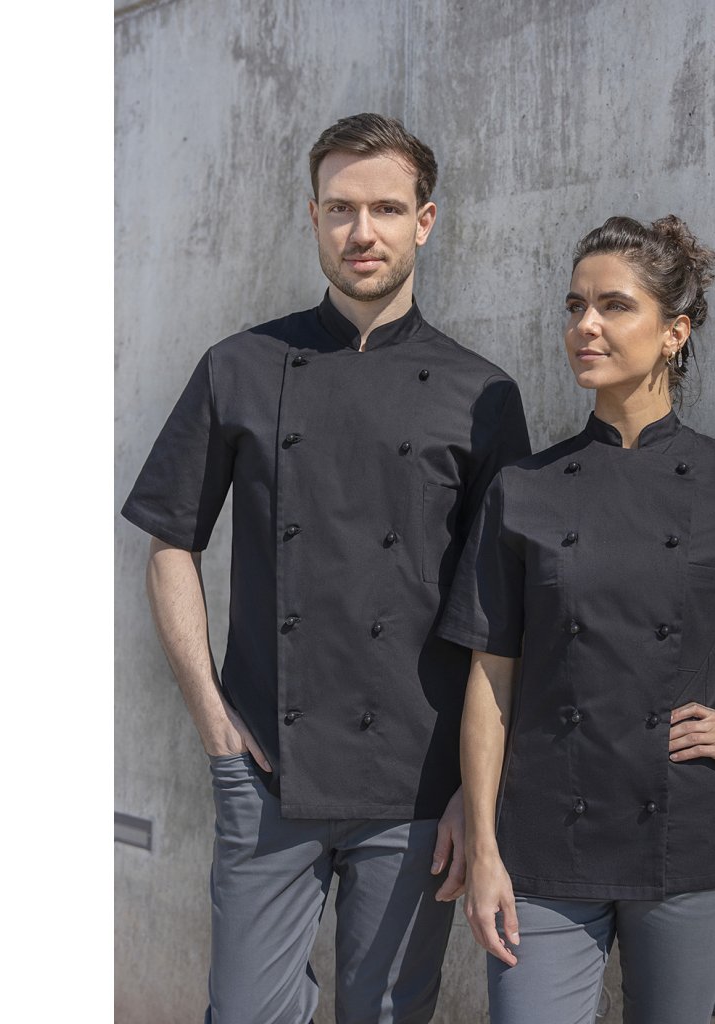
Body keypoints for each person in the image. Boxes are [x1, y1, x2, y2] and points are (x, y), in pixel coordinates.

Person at [121, 112, 530, 1024]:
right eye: (341, 208)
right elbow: (171, 543)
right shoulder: (239, 365)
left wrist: (477, 791)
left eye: (387, 208)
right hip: (267, 767)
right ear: (313, 217)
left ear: (425, 221)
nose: (362, 231)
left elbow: (500, 616)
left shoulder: (483, 394)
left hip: (419, 782)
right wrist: (213, 719)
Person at [437, 215, 715, 1024]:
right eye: (574, 306)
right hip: (542, 845)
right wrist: (483, 845)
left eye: (613, 306)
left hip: (683, 840)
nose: (584, 325)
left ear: (673, 334)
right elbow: (492, 680)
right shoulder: (524, 488)